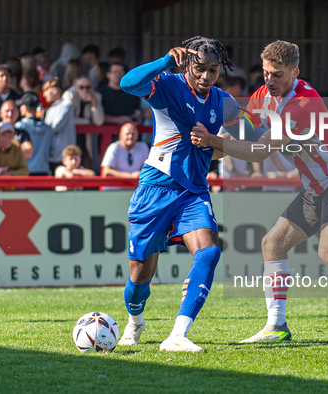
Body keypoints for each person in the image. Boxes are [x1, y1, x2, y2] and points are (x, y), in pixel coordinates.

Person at [191, 40, 328, 347]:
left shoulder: (303, 104)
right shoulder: (263, 95)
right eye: (266, 73)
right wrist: (205, 145)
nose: (270, 81)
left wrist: (211, 142)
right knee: (272, 244)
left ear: (295, 72)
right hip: (315, 188)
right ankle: (276, 326)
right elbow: (237, 135)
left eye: (278, 74)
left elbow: (259, 152)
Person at [118, 36, 241, 353]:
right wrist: (163, 61)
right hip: (156, 187)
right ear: (187, 62)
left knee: (209, 253)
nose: (206, 76)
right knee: (139, 277)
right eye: (200, 68)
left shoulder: (223, 101)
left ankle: (177, 335)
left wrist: (214, 141)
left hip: (194, 191)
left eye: (213, 70)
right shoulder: (167, 85)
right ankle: (135, 321)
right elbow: (127, 84)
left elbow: (246, 131)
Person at [62, 76, 105, 171]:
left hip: (87, 137)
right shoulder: (69, 95)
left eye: (88, 87)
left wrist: (94, 104)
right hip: (71, 135)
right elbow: (68, 119)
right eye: (81, 87)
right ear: (76, 87)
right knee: (71, 162)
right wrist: (87, 122)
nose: (85, 90)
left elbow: (99, 121)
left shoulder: (96, 96)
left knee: (89, 160)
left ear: (92, 87)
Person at [15, 92, 54, 175]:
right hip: (44, 170)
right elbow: (52, 150)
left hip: (25, 170)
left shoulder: (20, 127)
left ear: (25, 107)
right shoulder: (48, 128)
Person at [100, 122, 149, 190]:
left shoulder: (143, 147)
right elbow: (106, 172)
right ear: (120, 136)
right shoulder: (114, 147)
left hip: (134, 190)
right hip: (113, 190)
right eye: (127, 134)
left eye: (133, 134)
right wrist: (129, 176)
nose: (130, 136)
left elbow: (146, 170)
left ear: (137, 135)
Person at [43, 77, 76, 173]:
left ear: (54, 90)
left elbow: (55, 126)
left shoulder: (66, 105)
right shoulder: (50, 109)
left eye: (46, 91)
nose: (44, 94)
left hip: (63, 155)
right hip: (52, 154)